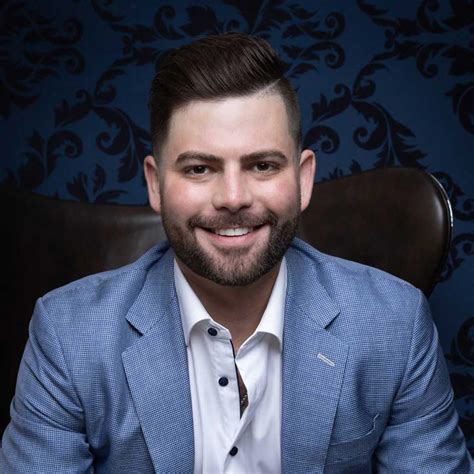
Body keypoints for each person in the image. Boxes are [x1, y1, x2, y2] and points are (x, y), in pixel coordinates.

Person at [1, 32, 472, 473]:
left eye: (262, 165)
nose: (232, 198)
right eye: (199, 168)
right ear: (155, 184)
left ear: (303, 179)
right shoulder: (68, 336)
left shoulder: (395, 325)